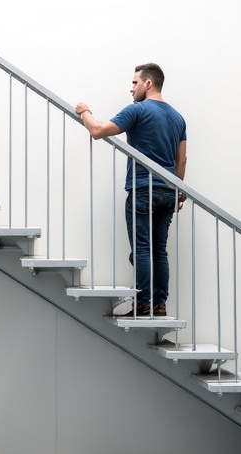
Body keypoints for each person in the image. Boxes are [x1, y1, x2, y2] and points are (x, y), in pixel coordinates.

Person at [75, 63, 187, 317]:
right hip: (169, 191)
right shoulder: (178, 118)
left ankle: (144, 304)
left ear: (148, 83)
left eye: (135, 82)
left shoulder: (139, 110)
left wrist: (85, 111)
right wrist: (178, 190)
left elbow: (98, 131)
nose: (131, 88)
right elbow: (182, 161)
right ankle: (159, 304)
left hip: (143, 189)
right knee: (160, 250)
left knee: (143, 249)